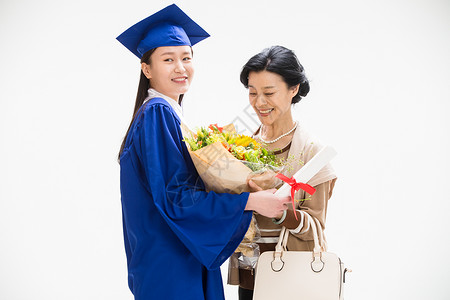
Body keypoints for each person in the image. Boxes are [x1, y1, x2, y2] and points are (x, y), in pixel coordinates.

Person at [116, 5, 291, 300]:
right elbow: (175, 198)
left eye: (186, 57)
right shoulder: (157, 114)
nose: (180, 67)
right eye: (168, 59)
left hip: (176, 256)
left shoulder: (166, 114)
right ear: (147, 69)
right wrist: (249, 201)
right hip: (170, 262)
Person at [227, 45, 338, 300]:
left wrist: (280, 212)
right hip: (250, 273)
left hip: (291, 276)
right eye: (252, 93)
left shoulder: (312, 153)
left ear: (293, 89)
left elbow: (315, 228)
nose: (259, 102)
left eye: (269, 92)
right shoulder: (242, 146)